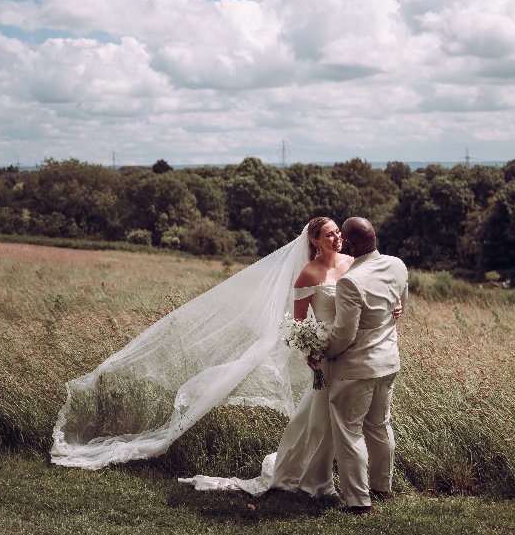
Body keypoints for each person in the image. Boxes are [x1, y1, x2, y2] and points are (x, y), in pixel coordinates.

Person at [51, 219, 341, 472]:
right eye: (329, 234)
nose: (336, 238)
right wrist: (310, 347)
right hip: (327, 349)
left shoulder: (348, 262)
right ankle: (315, 465)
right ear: (314, 240)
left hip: (351, 346)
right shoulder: (309, 273)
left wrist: (389, 306)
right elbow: (300, 321)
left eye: (338, 232)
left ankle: (330, 463)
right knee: (319, 408)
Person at [314, 216, 408, 516]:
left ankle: (358, 501)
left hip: (356, 368)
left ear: (351, 245)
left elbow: (344, 334)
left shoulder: (351, 281)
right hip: (388, 362)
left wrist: (323, 351)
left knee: (349, 431)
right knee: (380, 425)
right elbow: (398, 307)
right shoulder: (397, 265)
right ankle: (383, 487)